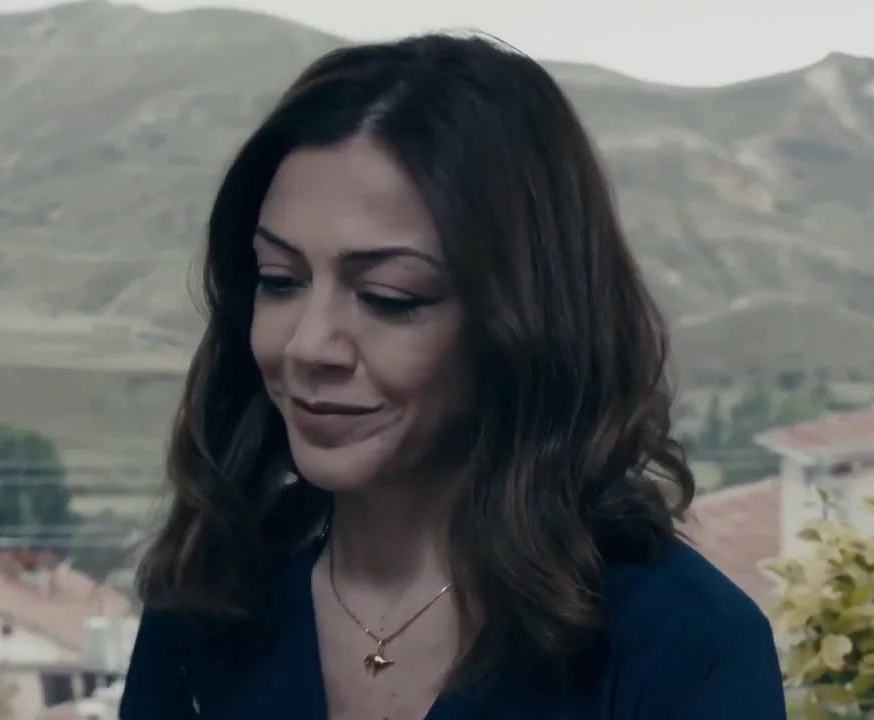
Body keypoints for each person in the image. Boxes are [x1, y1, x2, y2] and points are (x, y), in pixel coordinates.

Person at [120, 32, 785, 720]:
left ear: (525, 318)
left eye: (389, 297)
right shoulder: (208, 604)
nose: (309, 346)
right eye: (280, 280)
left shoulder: (685, 645)